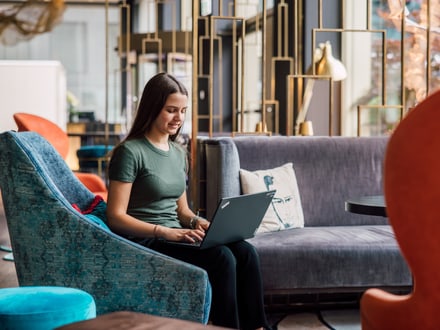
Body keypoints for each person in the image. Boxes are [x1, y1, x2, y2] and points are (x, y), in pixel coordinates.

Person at [106, 72, 270, 330]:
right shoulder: (130, 153)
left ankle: (258, 327)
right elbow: (115, 217)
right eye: (171, 110)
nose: (179, 118)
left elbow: (181, 209)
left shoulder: (178, 152)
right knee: (221, 257)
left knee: (246, 251)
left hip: (177, 234)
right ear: (152, 108)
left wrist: (198, 221)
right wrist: (165, 232)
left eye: (183, 110)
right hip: (147, 238)